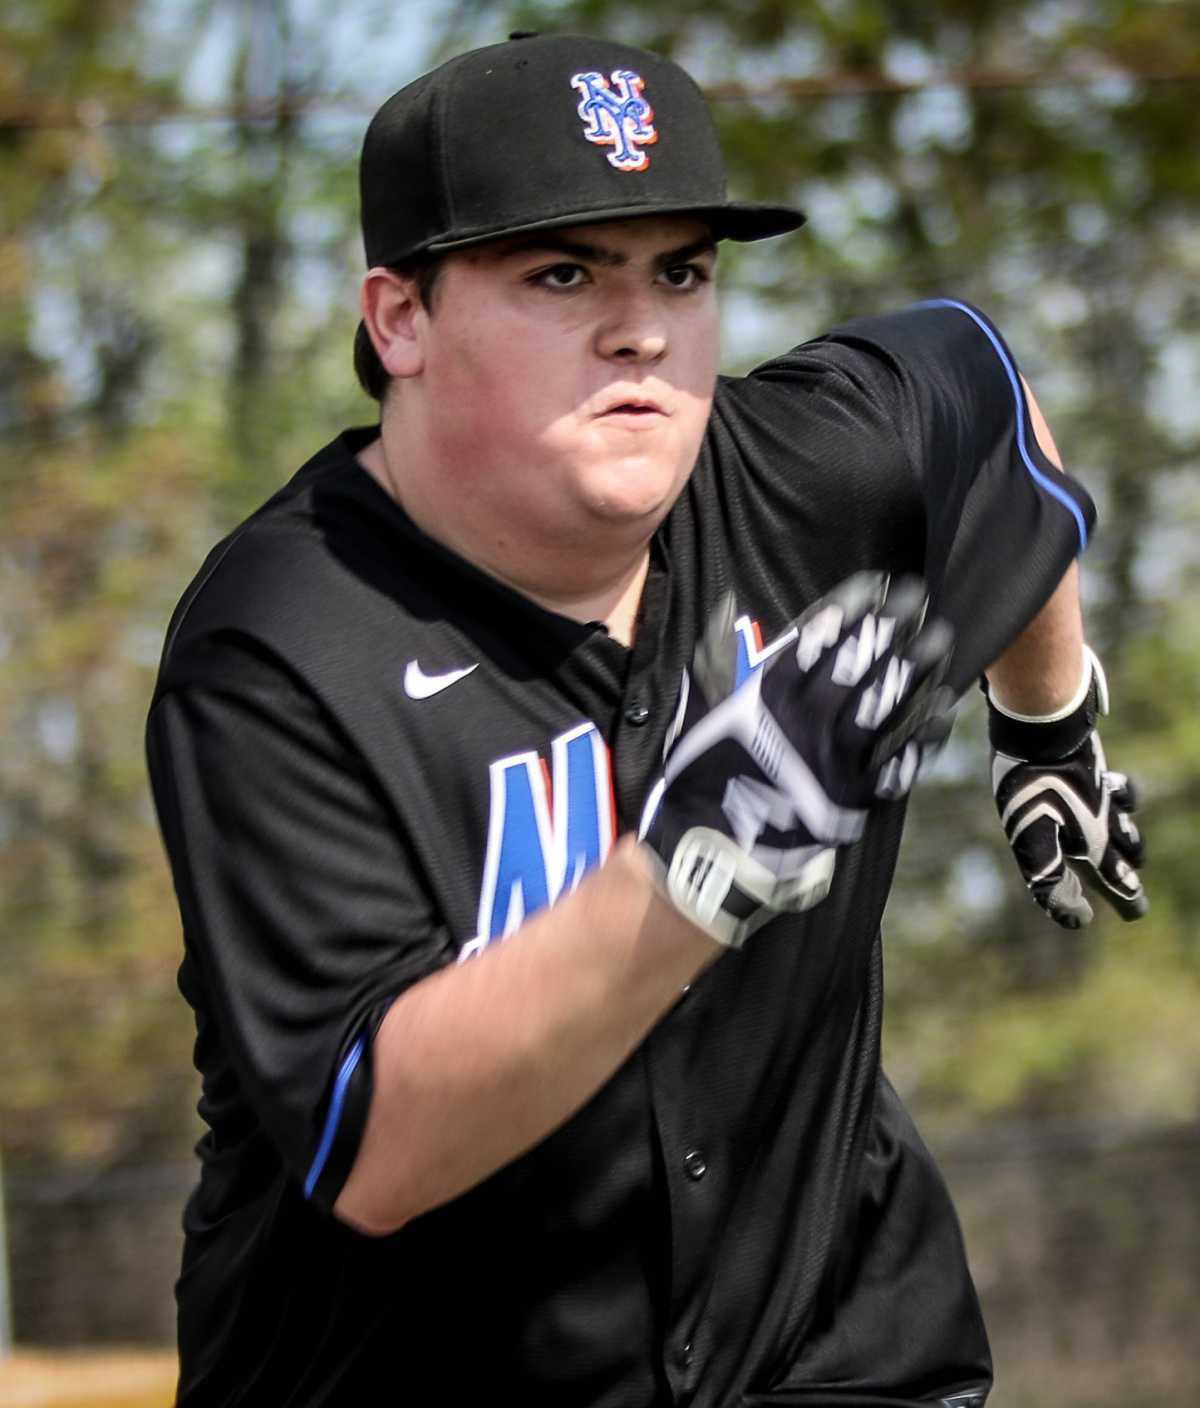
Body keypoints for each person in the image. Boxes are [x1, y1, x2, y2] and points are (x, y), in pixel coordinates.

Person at [146, 31, 1146, 1408]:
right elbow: (378, 1142)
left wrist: (1049, 718)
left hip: (834, 1351)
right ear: (400, 320)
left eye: (681, 270)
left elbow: (987, 401)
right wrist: (692, 872)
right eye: (563, 273)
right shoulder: (281, 648)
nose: (643, 328)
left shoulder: (807, 470)